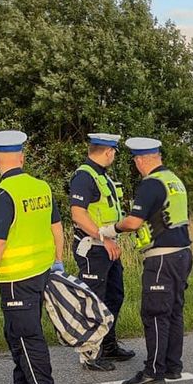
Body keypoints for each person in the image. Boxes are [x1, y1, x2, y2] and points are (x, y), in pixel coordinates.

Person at [0, 130, 64, 384]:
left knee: (25, 334)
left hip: (16, 277)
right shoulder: (41, 187)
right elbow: (57, 227)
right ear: (21, 156)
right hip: (41, 271)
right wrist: (58, 260)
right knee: (15, 332)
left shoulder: (2, 194)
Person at [101, 137, 191, 384]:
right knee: (173, 310)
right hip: (182, 254)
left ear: (141, 160)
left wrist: (110, 229)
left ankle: (153, 371)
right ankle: (173, 365)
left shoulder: (151, 184)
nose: (136, 166)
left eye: (135, 161)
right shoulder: (174, 180)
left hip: (161, 256)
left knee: (154, 313)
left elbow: (133, 222)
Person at [67, 131, 135, 370]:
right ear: (108, 151)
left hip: (107, 248)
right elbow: (78, 214)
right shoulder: (84, 177)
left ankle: (108, 346)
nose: (114, 155)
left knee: (114, 297)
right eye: (114, 151)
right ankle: (90, 355)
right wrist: (103, 237)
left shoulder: (101, 176)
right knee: (94, 301)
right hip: (93, 248)